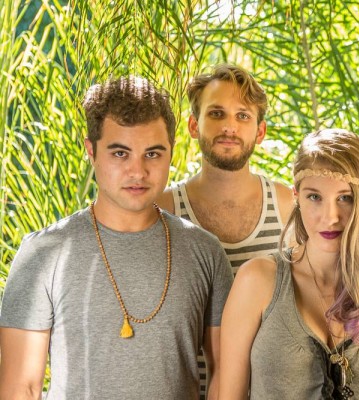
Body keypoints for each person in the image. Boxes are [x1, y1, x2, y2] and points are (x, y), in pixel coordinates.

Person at [0, 76, 233, 400]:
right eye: (120, 153)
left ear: (171, 152)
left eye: (153, 154)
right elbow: (20, 389)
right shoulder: (42, 253)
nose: (138, 171)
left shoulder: (205, 252)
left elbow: (226, 375)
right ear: (91, 151)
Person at [219, 129, 359, 399]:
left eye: (345, 198)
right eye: (314, 197)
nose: (329, 217)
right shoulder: (257, 280)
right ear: (297, 197)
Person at [156, 64, 294, 398]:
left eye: (243, 116)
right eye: (216, 113)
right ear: (194, 125)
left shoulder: (288, 205)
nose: (230, 127)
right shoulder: (163, 209)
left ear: (260, 132)